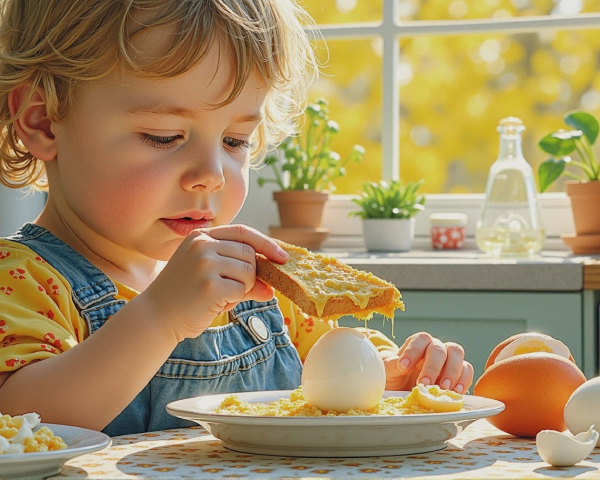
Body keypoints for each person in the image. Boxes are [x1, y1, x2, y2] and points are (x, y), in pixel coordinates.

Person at [0, 0, 473, 436]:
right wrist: (162, 317)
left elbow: (331, 371)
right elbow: (24, 425)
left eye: (235, 141)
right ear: (43, 121)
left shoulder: (260, 288)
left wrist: (391, 372)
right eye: (164, 136)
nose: (211, 175)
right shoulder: (21, 280)